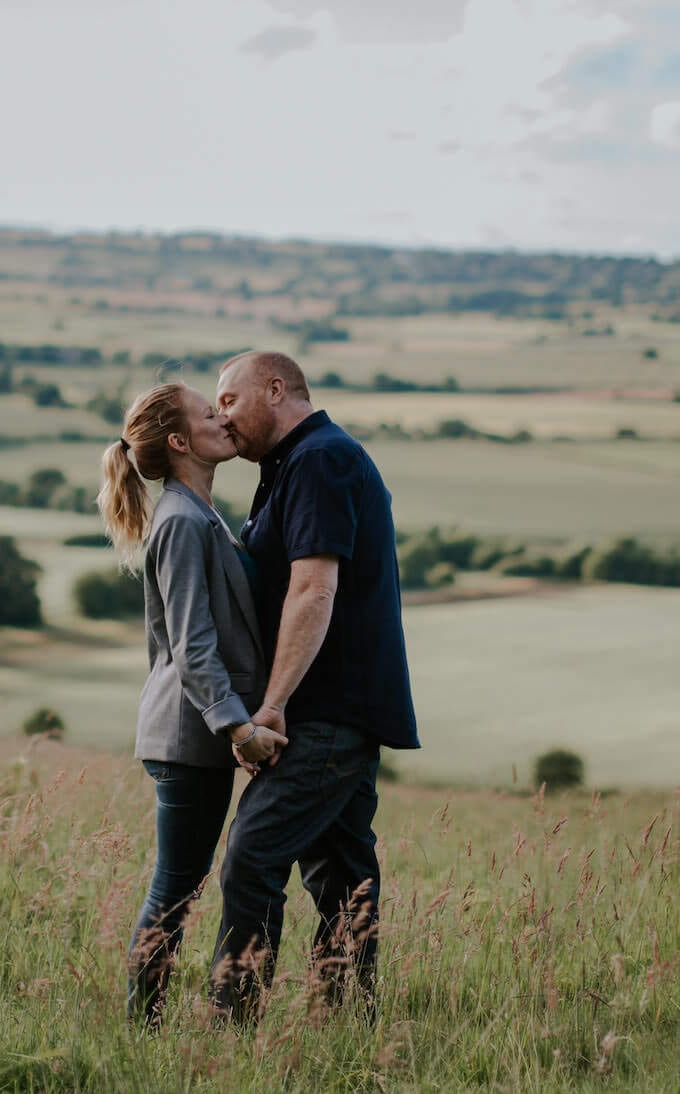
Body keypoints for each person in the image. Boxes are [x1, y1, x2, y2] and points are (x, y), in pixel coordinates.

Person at [208, 350, 419, 1022]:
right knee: (343, 878)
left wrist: (272, 705)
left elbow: (314, 586)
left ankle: (233, 1020)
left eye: (229, 400)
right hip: (341, 706)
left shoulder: (320, 459)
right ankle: (351, 1021)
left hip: (328, 709)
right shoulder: (293, 463)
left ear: (276, 389)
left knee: (251, 856)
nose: (221, 416)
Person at [97, 381, 287, 1026]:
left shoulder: (199, 512)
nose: (225, 420)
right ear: (180, 442)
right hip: (190, 735)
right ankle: (141, 1031)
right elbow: (190, 642)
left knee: (182, 886)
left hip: (202, 732)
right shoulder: (180, 521)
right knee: (175, 890)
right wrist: (236, 727)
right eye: (211, 414)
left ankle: (151, 1024)